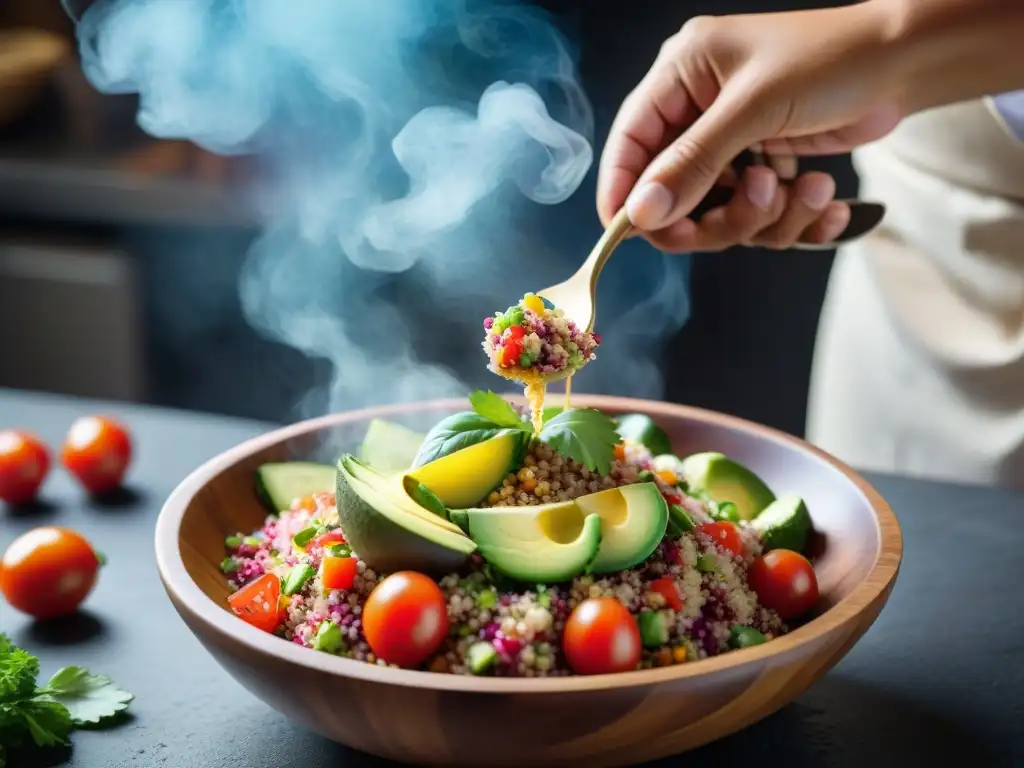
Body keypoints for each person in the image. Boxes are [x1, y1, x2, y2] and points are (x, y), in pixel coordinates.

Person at [596, 0, 1024, 491]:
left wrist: (889, 39)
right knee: (893, 533)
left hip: (907, 81)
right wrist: (892, 58)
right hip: (922, 235)